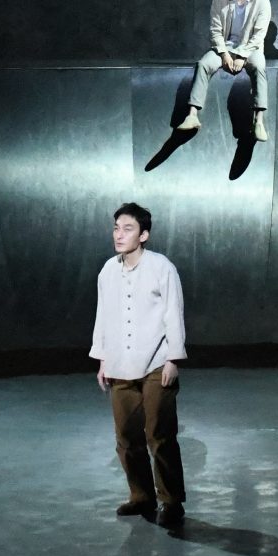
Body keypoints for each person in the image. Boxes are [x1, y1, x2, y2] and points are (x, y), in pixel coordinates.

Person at [91, 201, 187, 524]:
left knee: (160, 435)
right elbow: (103, 317)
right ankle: (142, 496)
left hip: (156, 362)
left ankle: (171, 501)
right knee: (126, 437)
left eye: (128, 229)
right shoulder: (108, 271)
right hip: (120, 364)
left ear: (143, 235)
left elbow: (173, 314)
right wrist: (103, 359)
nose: (119, 234)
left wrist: (173, 359)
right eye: (116, 228)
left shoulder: (162, 268)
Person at [179, 0, 271, 141]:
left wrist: (242, 56)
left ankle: (259, 121)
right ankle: (192, 115)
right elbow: (215, 31)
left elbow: (259, 36)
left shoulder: (262, 1)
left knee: (260, 66)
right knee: (203, 64)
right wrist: (224, 54)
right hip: (225, 47)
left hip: (250, 48)